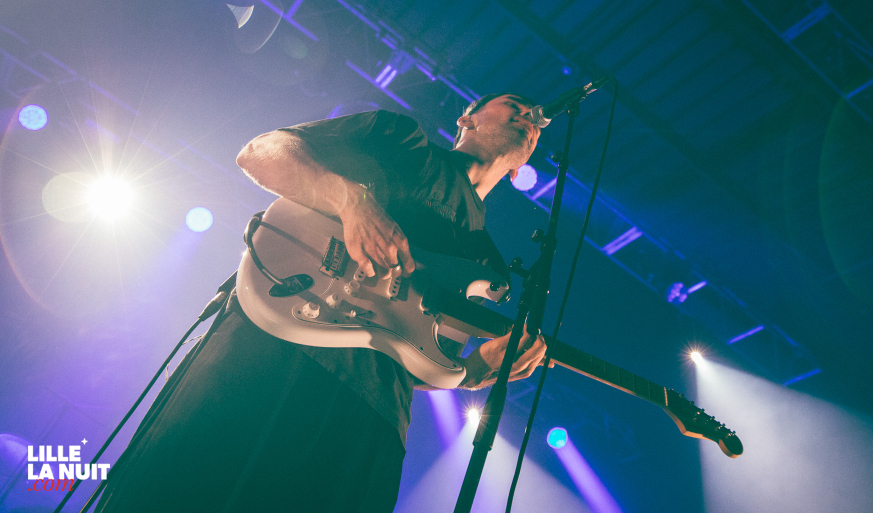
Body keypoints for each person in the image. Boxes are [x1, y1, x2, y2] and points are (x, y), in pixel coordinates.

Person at [94, 94, 548, 513]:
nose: (529, 116)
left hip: (370, 416)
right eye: (515, 105)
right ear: (466, 119)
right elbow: (261, 152)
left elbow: (421, 361)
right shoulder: (402, 138)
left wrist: (474, 371)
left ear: (521, 168)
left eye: (534, 119)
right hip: (270, 348)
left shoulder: (487, 264)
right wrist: (351, 202)